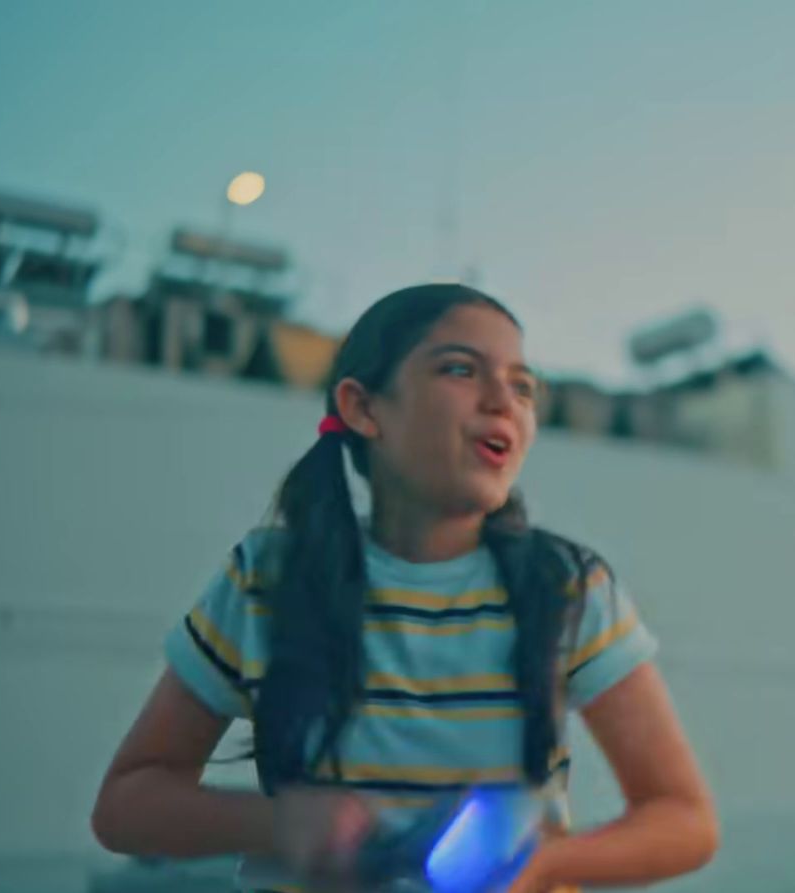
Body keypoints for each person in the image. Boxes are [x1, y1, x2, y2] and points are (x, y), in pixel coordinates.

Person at [90, 284, 719, 893]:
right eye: (460, 369)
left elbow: (685, 820)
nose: (505, 400)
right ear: (364, 408)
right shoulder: (265, 579)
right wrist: (281, 821)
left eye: (523, 385)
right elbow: (125, 805)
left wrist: (549, 862)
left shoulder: (571, 587)